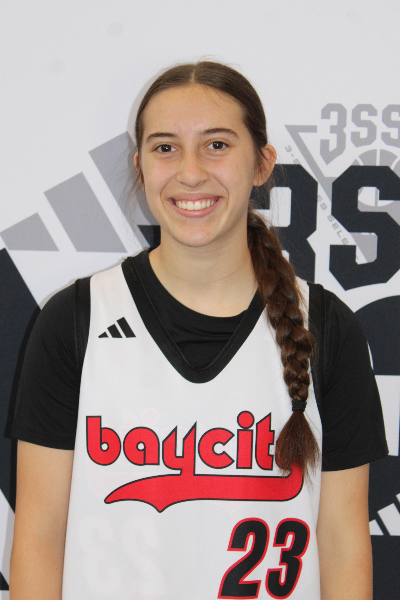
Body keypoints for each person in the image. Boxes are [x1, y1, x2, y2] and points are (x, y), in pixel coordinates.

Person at [9, 61, 387, 600]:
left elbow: (344, 543)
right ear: (141, 166)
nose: (190, 172)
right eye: (165, 147)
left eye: (216, 145)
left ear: (262, 163)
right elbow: (40, 538)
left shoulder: (327, 328)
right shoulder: (75, 319)